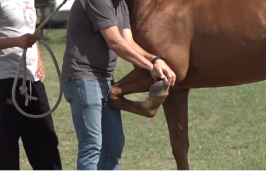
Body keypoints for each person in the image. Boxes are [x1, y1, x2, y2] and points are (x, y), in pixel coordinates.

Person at [60, 0, 176, 170]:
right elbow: (115, 42)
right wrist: (151, 68)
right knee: (91, 145)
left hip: (105, 79)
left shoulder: (121, 4)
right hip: (83, 78)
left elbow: (128, 42)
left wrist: (155, 60)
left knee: (114, 144)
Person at [0, 0, 62, 170]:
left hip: (32, 79)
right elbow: (20, 37)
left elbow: (29, 30)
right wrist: (16, 42)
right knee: (6, 149)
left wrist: (39, 58)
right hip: (5, 79)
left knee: (46, 142)